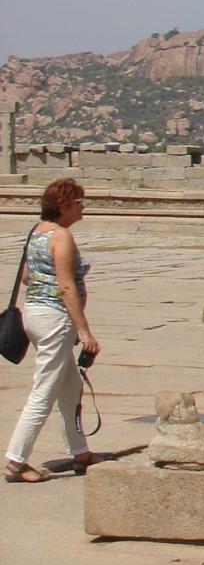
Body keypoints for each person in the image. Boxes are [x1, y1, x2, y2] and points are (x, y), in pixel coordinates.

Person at [4, 178, 100, 483]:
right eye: (79, 202)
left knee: (70, 388)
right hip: (54, 319)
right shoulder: (61, 237)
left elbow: (26, 278)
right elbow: (66, 286)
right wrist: (84, 331)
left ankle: (81, 452)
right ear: (64, 205)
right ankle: (15, 462)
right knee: (43, 392)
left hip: (34, 315)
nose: (82, 206)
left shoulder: (37, 232)